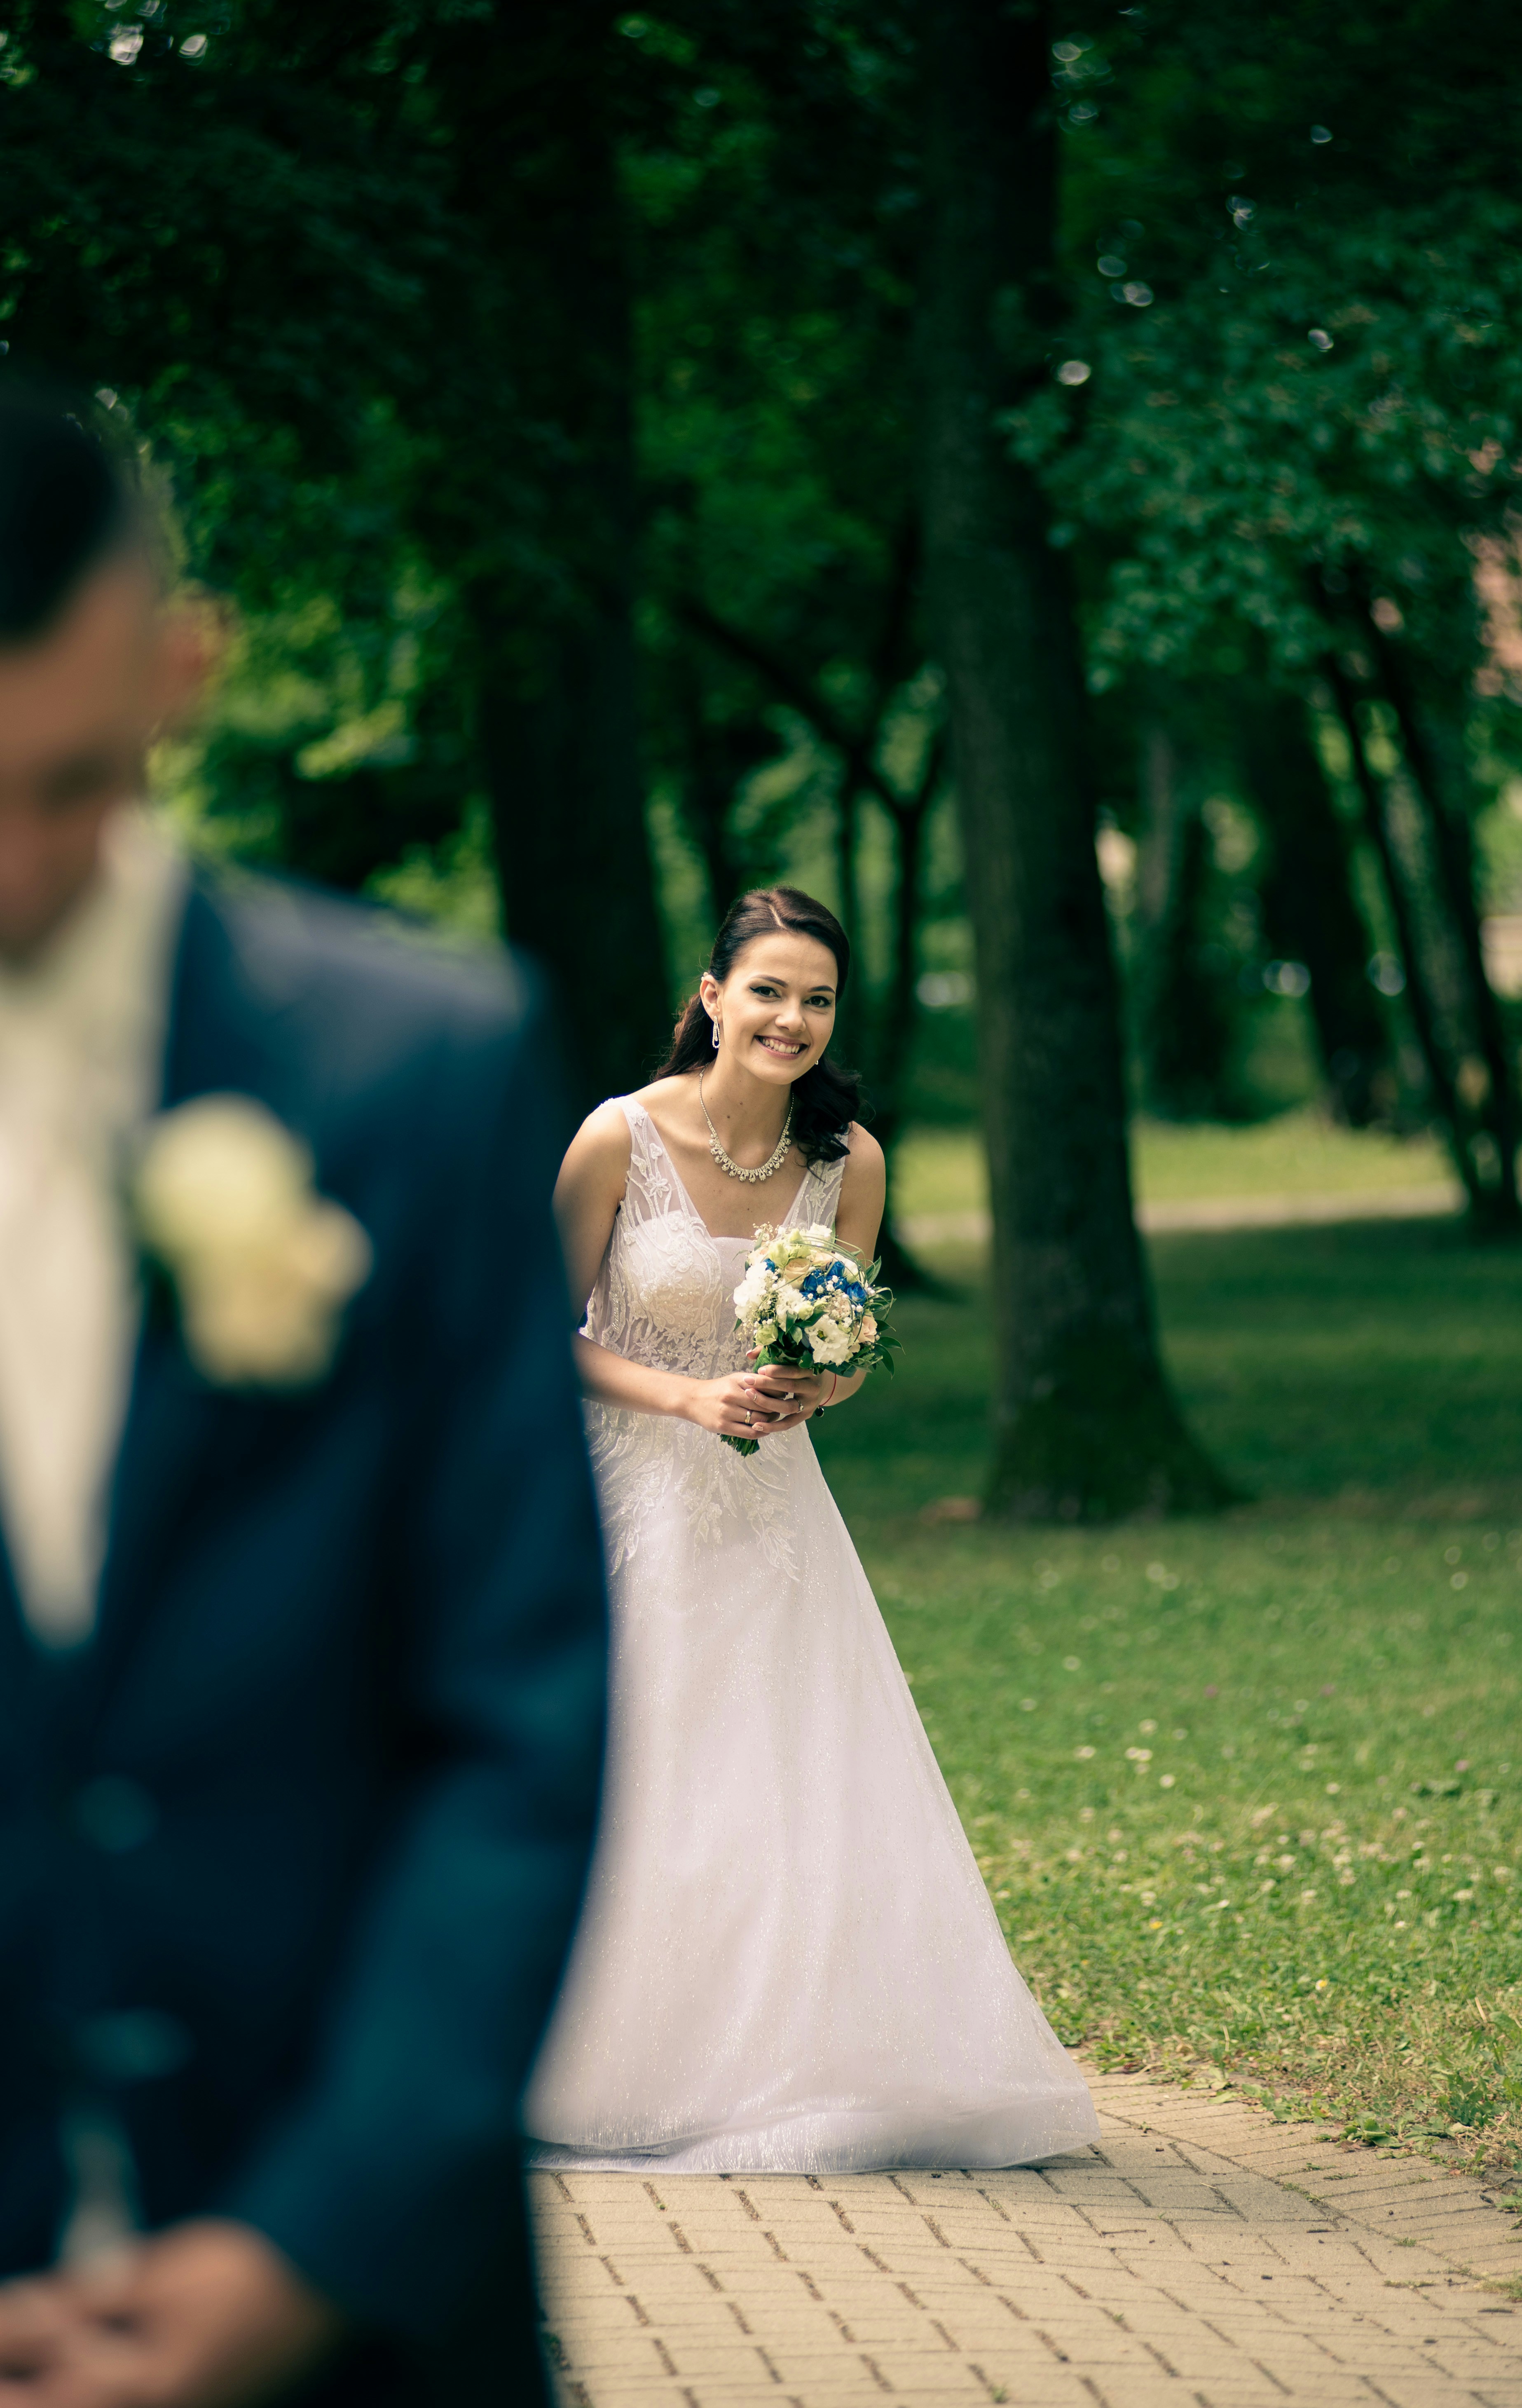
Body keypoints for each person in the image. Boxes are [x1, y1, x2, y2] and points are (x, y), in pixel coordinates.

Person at [0, 386, 607, 2404]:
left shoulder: (420, 1075)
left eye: (60, 787)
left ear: (181, 671)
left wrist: (311, 2244)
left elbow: (518, 1721)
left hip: (354, 2311)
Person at [526, 885, 1099, 2171]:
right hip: (633, 1494)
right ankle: (594, 2062)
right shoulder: (619, 1137)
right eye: (770, 989)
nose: (792, 1017)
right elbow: (535, 1335)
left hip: (775, 1508)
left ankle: (789, 2061)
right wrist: (685, 1391)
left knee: (780, 1775)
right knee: (640, 1765)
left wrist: (814, 1381)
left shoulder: (851, 1162)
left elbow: (846, 1349)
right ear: (714, 994)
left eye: (819, 998)